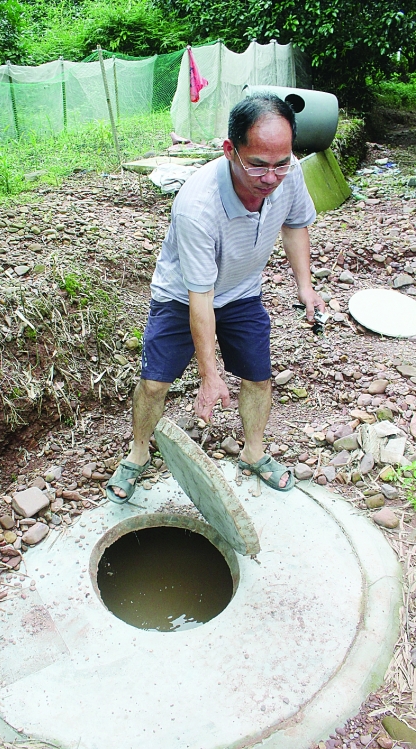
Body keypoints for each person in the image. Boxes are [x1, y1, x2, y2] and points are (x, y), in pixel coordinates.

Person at [106, 92, 325, 503]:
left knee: (259, 377)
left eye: (281, 162)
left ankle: (254, 453)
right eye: (257, 164)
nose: (271, 177)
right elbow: (199, 298)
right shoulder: (197, 205)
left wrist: (305, 286)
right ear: (230, 150)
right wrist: (209, 375)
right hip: (182, 296)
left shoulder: (288, 173)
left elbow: (295, 225)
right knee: (154, 384)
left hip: (241, 292)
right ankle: (137, 454)